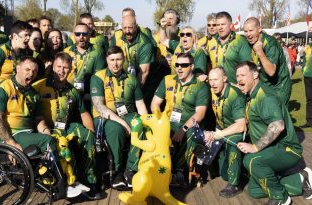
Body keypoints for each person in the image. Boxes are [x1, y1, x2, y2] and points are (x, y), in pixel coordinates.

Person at [0, 56, 56, 194]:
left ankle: (39, 176)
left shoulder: (33, 93)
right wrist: (11, 142)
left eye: (34, 71)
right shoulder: (2, 89)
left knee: (51, 137)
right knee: (47, 141)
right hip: (9, 133)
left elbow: (38, 119)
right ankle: (54, 180)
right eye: (27, 69)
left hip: (27, 132)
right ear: (18, 69)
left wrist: (45, 129)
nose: (31, 73)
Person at [236, 61, 312, 205]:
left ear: (255, 74)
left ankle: (281, 199)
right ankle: (301, 179)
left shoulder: (265, 96)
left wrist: (255, 147)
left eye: (243, 75)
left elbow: (278, 125)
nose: (239, 79)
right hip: (271, 149)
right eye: (237, 76)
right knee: (254, 190)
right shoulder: (252, 94)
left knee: (251, 161)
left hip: (287, 149)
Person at [33, 52, 102, 200]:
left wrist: (91, 135)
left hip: (66, 126)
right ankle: (66, 184)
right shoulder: (39, 86)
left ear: (70, 70)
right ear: (53, 67)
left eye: (65, 68)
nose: (61, 71)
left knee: (88, 135)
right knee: (61, 139)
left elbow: (84, 114)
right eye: (58, 66)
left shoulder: (73, 91)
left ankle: (90, 181)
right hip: (44, 128)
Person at [90, 46, 148, 188]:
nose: (115, 63)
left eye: (118, 59)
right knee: (116, 129)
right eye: (112, 60)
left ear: (124, 60)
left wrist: (147, 122)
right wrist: (123, 123)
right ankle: (116, 172)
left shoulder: (131, 79)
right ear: (107, 60)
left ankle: (130, 170)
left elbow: (140, 106)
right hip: (104, 117)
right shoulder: (98, 77)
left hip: (128, 115)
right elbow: (99, 107)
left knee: (140, 125)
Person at [150, 53, 210, 185]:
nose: (179, 68)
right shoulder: (167, 80)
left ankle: (179, 170)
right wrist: (159, 121)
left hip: (187, 123)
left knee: (190, 132)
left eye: (184, 65)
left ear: (192, 66)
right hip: (167, 121)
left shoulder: (200, 86)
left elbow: (199, 114)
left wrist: (183, 129)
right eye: (177, 65)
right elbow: (154, 104)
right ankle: (151, 167)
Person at [206, 67, 246, 197]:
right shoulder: (213, 91)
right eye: (210, 80)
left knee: (233, 142)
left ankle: (235, 185)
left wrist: (217, 135)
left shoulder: (235, 95)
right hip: (223, 129)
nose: (212, 83)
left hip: (240, 132)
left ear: (224, 79)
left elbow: (240, 125)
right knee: (224, 175)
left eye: (216, 80)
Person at [243, 17, 291, 105]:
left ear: (259, 29)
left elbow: (271, 71)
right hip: (263, 85)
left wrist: (260, 52)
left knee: (276, 116)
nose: (248, 34)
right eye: (245, 31)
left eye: (251, 30)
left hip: (279, 86)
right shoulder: (249, 42)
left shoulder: (270, 43)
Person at [0, 20, 31, 100]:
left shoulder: (25, 53)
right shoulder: (0, 51)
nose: (28, 38)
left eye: (29, 35)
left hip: (15, 97)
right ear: (15, 36)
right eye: (26, 35)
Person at [207, 11, 252, 84]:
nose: (220, 27)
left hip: (236, 89)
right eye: (218, 25)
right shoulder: (211, 42)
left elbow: (248, 68)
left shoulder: (240, 41)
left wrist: (240, 86)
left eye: (223, 24)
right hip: (216, 90)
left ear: (231, 25)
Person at [63, 23, 106, 96]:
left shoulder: (98, 52)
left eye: (84, 34)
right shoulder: (66, 51)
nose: (81, 37)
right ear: (73, 35)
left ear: (89, 35)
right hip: (69, 94)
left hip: (90, 94)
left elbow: (99, 77)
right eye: (77, 34)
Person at [153, 9, 180, 74]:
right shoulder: (155, 38)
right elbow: (150, 58)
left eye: (171, 19)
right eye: (166, 19)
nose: (168, 22)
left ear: (177, 21)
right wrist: (161, 61)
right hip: (160, 74)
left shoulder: (183, 36)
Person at [301, 41, 312, 128]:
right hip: (307, 76)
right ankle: (309, 121)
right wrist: (303, 69)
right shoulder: (308, 47)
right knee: (309, 99)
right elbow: (304, 59)